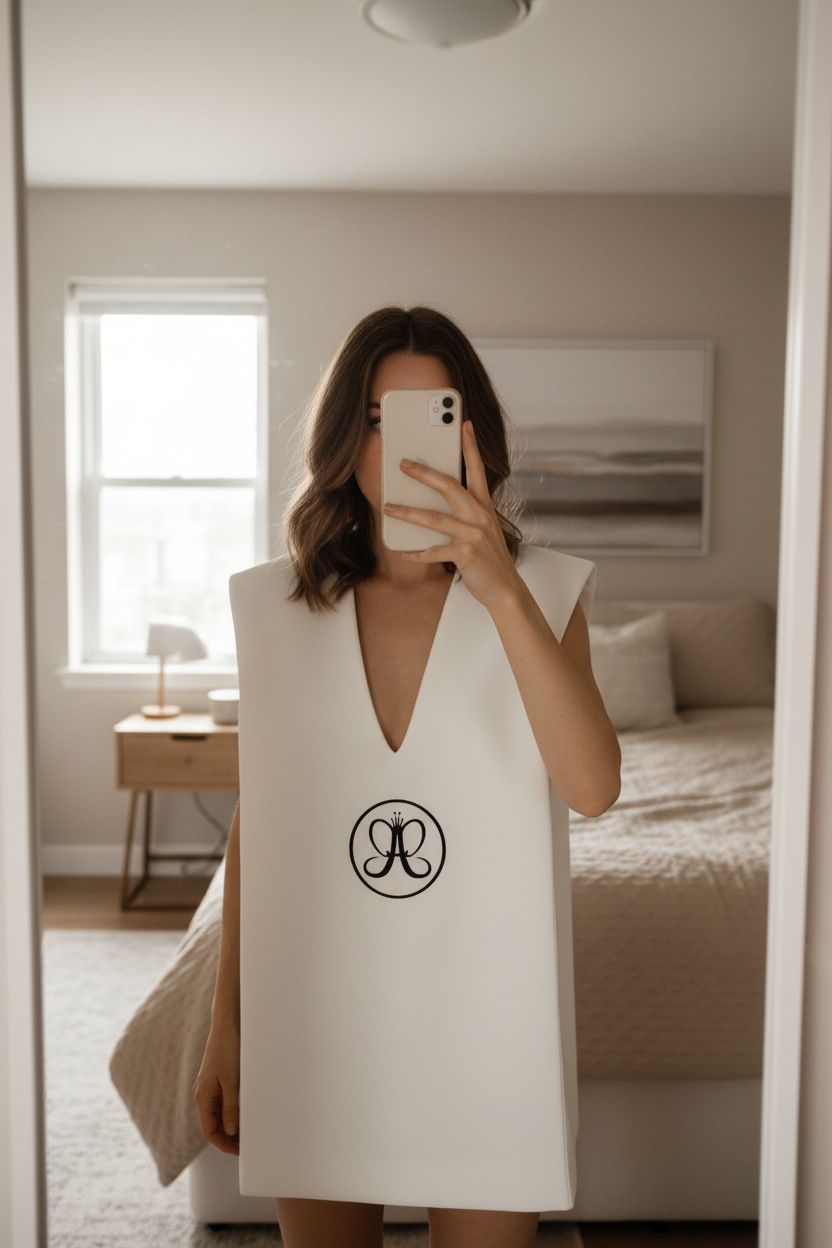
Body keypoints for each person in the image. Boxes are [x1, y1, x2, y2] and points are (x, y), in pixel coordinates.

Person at [194, 305, 621, 1248]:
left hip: (489, 1018)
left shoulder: (546, 591)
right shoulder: (275, 607)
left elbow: (592, 788)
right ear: (344, 438)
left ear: (473, 436)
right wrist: (229, 1022)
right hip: (317, 1009)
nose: (401, 447)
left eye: (433, 415)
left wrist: (498, 585)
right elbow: (263, 820)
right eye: (378, 419)